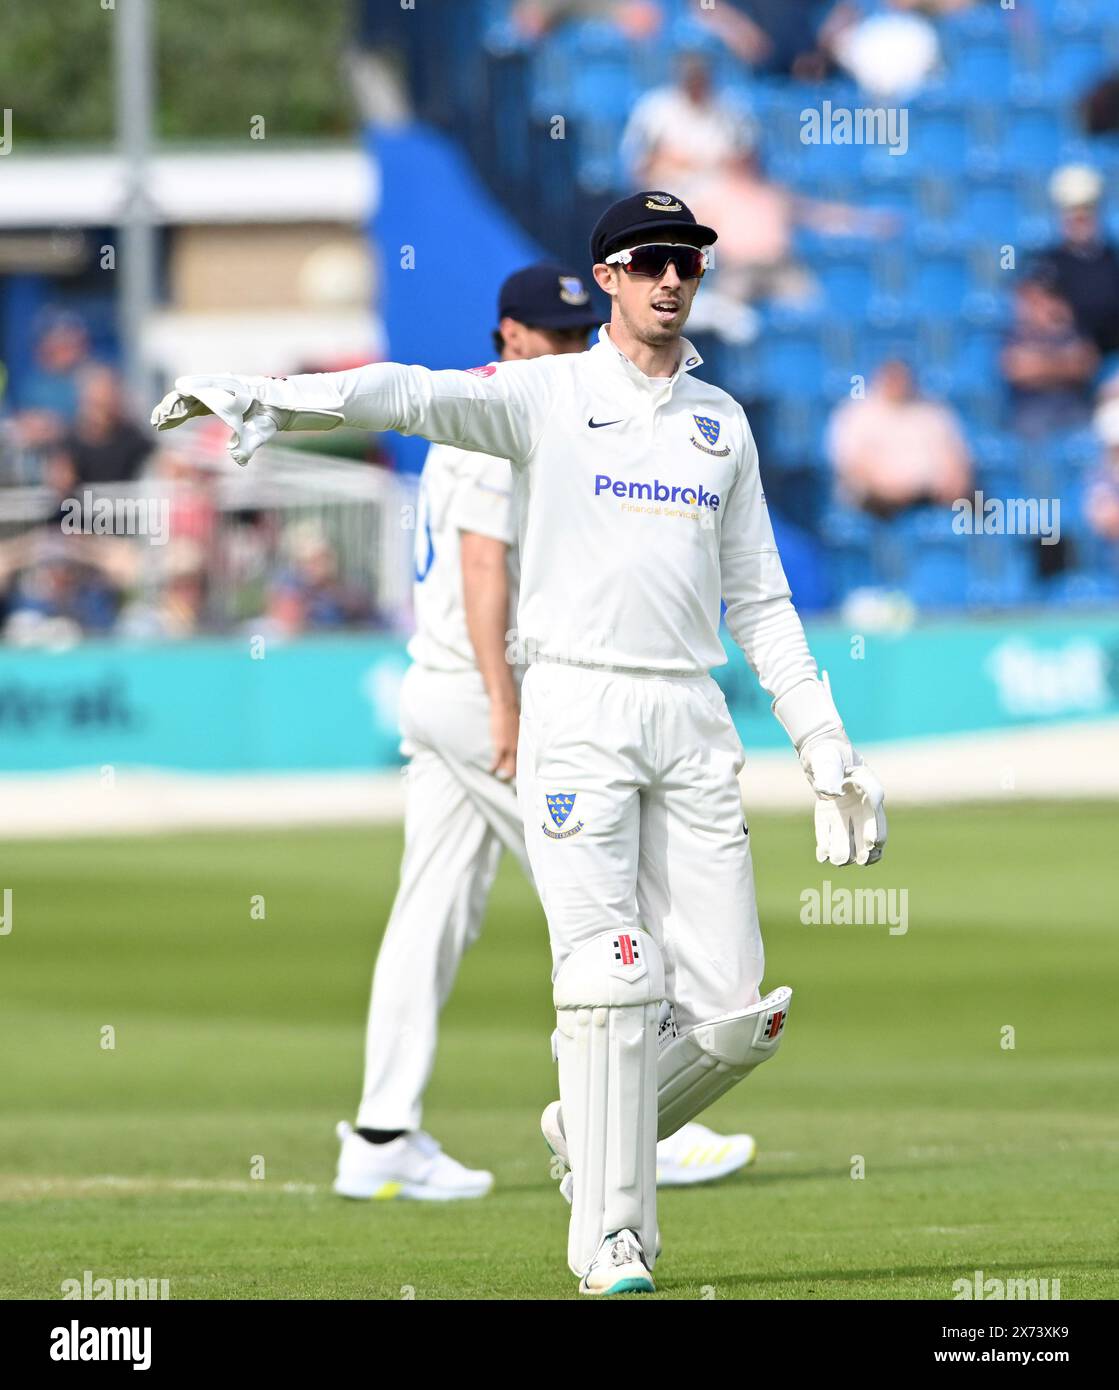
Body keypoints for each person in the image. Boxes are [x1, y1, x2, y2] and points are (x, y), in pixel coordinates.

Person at [152, 192, 887, 1296]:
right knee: (610, 979)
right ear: (608, 279)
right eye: (648, 262)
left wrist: (823, 738)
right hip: (577, 709)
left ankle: (588, 1121)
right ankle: (612, 1243)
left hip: (690, 716)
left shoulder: (719, 423)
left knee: (738, 1018)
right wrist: (273, 396)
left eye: (687, 260)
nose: (671, 279)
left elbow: (763, 599)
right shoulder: (546, 395)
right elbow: (410, 393)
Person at [338, 263, 757, 1200]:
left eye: (577, 334)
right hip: (488, 691)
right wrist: (508, 709)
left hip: (440, 687)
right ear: (508, 336)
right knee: (609, 907)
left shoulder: (520, 408)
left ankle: (378, 1134)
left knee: (432, 914)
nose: (570, 349)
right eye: (550, 333)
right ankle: (637, 1126)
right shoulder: (510, 418)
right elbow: (486, 570)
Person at [828, 358, 972, 518]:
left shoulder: (934, 412)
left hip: (928, 498)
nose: (896, 384)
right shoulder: (856, 413)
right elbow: (851, 464)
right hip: (875, 503)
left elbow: (956, 459)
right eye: (891, 378)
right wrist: (890, 490)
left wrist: (951, 483)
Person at [1033, 165, 1119, 359]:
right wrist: (1003, 246)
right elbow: (1005, 258)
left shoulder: (1113, 259)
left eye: (1087, 208)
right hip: (1061, 360)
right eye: (1071, 210)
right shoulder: (1044, 262)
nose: (1079, 217)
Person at [1001, 276, 1098, 439]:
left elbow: (1086, 366)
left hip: (1073, 406)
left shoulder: (1070, 331)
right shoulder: (1015, 334)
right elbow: (1019, 370)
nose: (1037, 307)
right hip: (1032, 409)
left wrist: (1040, 363)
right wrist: (1064, 363)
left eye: (1043, 299)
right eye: (1031, 301)